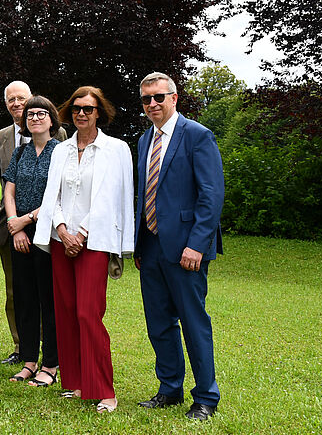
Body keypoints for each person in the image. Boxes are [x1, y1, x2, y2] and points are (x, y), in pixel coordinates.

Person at [33, 86, 133, 413]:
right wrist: (61, 229)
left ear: (99, 113)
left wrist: (83, 233)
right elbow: (53, 195)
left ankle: (104, 390)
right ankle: (75, 383)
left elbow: (112, 198)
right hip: (62, 241)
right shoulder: (60, 149)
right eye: (76, 108)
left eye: (88, 109)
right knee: (65, 313)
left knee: (88, 314)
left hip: (94, 241)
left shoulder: (115, 149)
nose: (81, 114)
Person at [134, 72, 224, 421]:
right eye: (146, 100)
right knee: (158, 323)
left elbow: (211, 196)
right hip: (152, 246)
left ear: (174, 97)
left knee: (193, 321)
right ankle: (169, 388)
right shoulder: (144, 140)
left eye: (159, 97)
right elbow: (145, 194)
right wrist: (140, 245)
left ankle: (205, 398)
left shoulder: (197, 136)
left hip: (187, 248)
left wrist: (197, 245)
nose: (153, 104)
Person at [0, 80, 67, 365]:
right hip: (15, 231)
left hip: (48, 231)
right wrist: (13, 222)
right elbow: (7, 185)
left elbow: (59, 191)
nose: (33, 117)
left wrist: (26, 220)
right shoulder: (12, 146)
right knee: (20, 294)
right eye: (30, 115)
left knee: (48, 296)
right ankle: (26, 355)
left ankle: (51, 359)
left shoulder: (60, 147)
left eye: (39, 113)